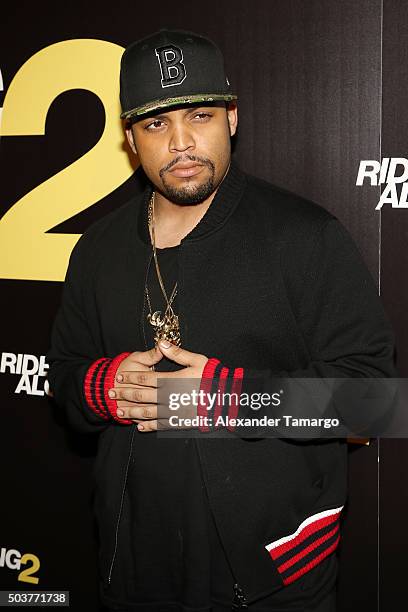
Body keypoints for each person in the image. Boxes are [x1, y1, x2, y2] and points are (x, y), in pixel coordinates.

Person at [47, 29, 395, 612]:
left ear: (232, 118)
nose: (181, 143)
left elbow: (372, 402)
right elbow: (64, 378)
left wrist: (222, 398)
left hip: (274, 575)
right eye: (157, 124)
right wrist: (106, 388)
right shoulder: (97, 248)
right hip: (132, 567)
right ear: (130, 139)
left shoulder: (305, 236)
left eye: (200, 115)